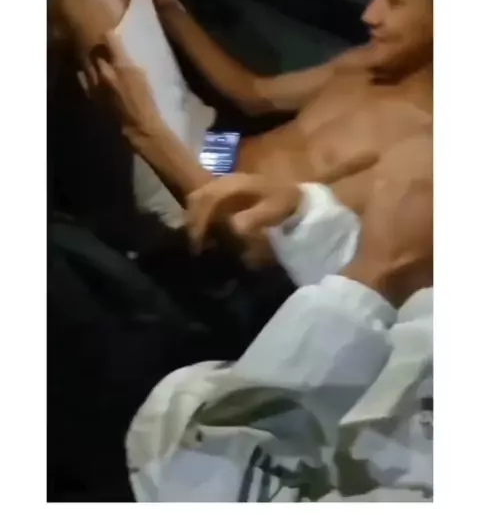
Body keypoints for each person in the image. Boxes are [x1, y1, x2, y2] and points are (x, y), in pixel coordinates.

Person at [50, 0, 432, 227]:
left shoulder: (417, 153)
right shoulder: (367, 65)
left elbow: (261, 246)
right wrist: (171, 9)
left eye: (394, 1)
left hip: (196, 194)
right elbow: (253, 94)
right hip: (214, 146)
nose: (369, 15)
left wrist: (146, 128)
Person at [125, 137, 433, 502]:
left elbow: (216, 485)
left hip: (174, 450)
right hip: (220, 374)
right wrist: (310, 222)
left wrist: (375, 271)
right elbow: (401, 316)